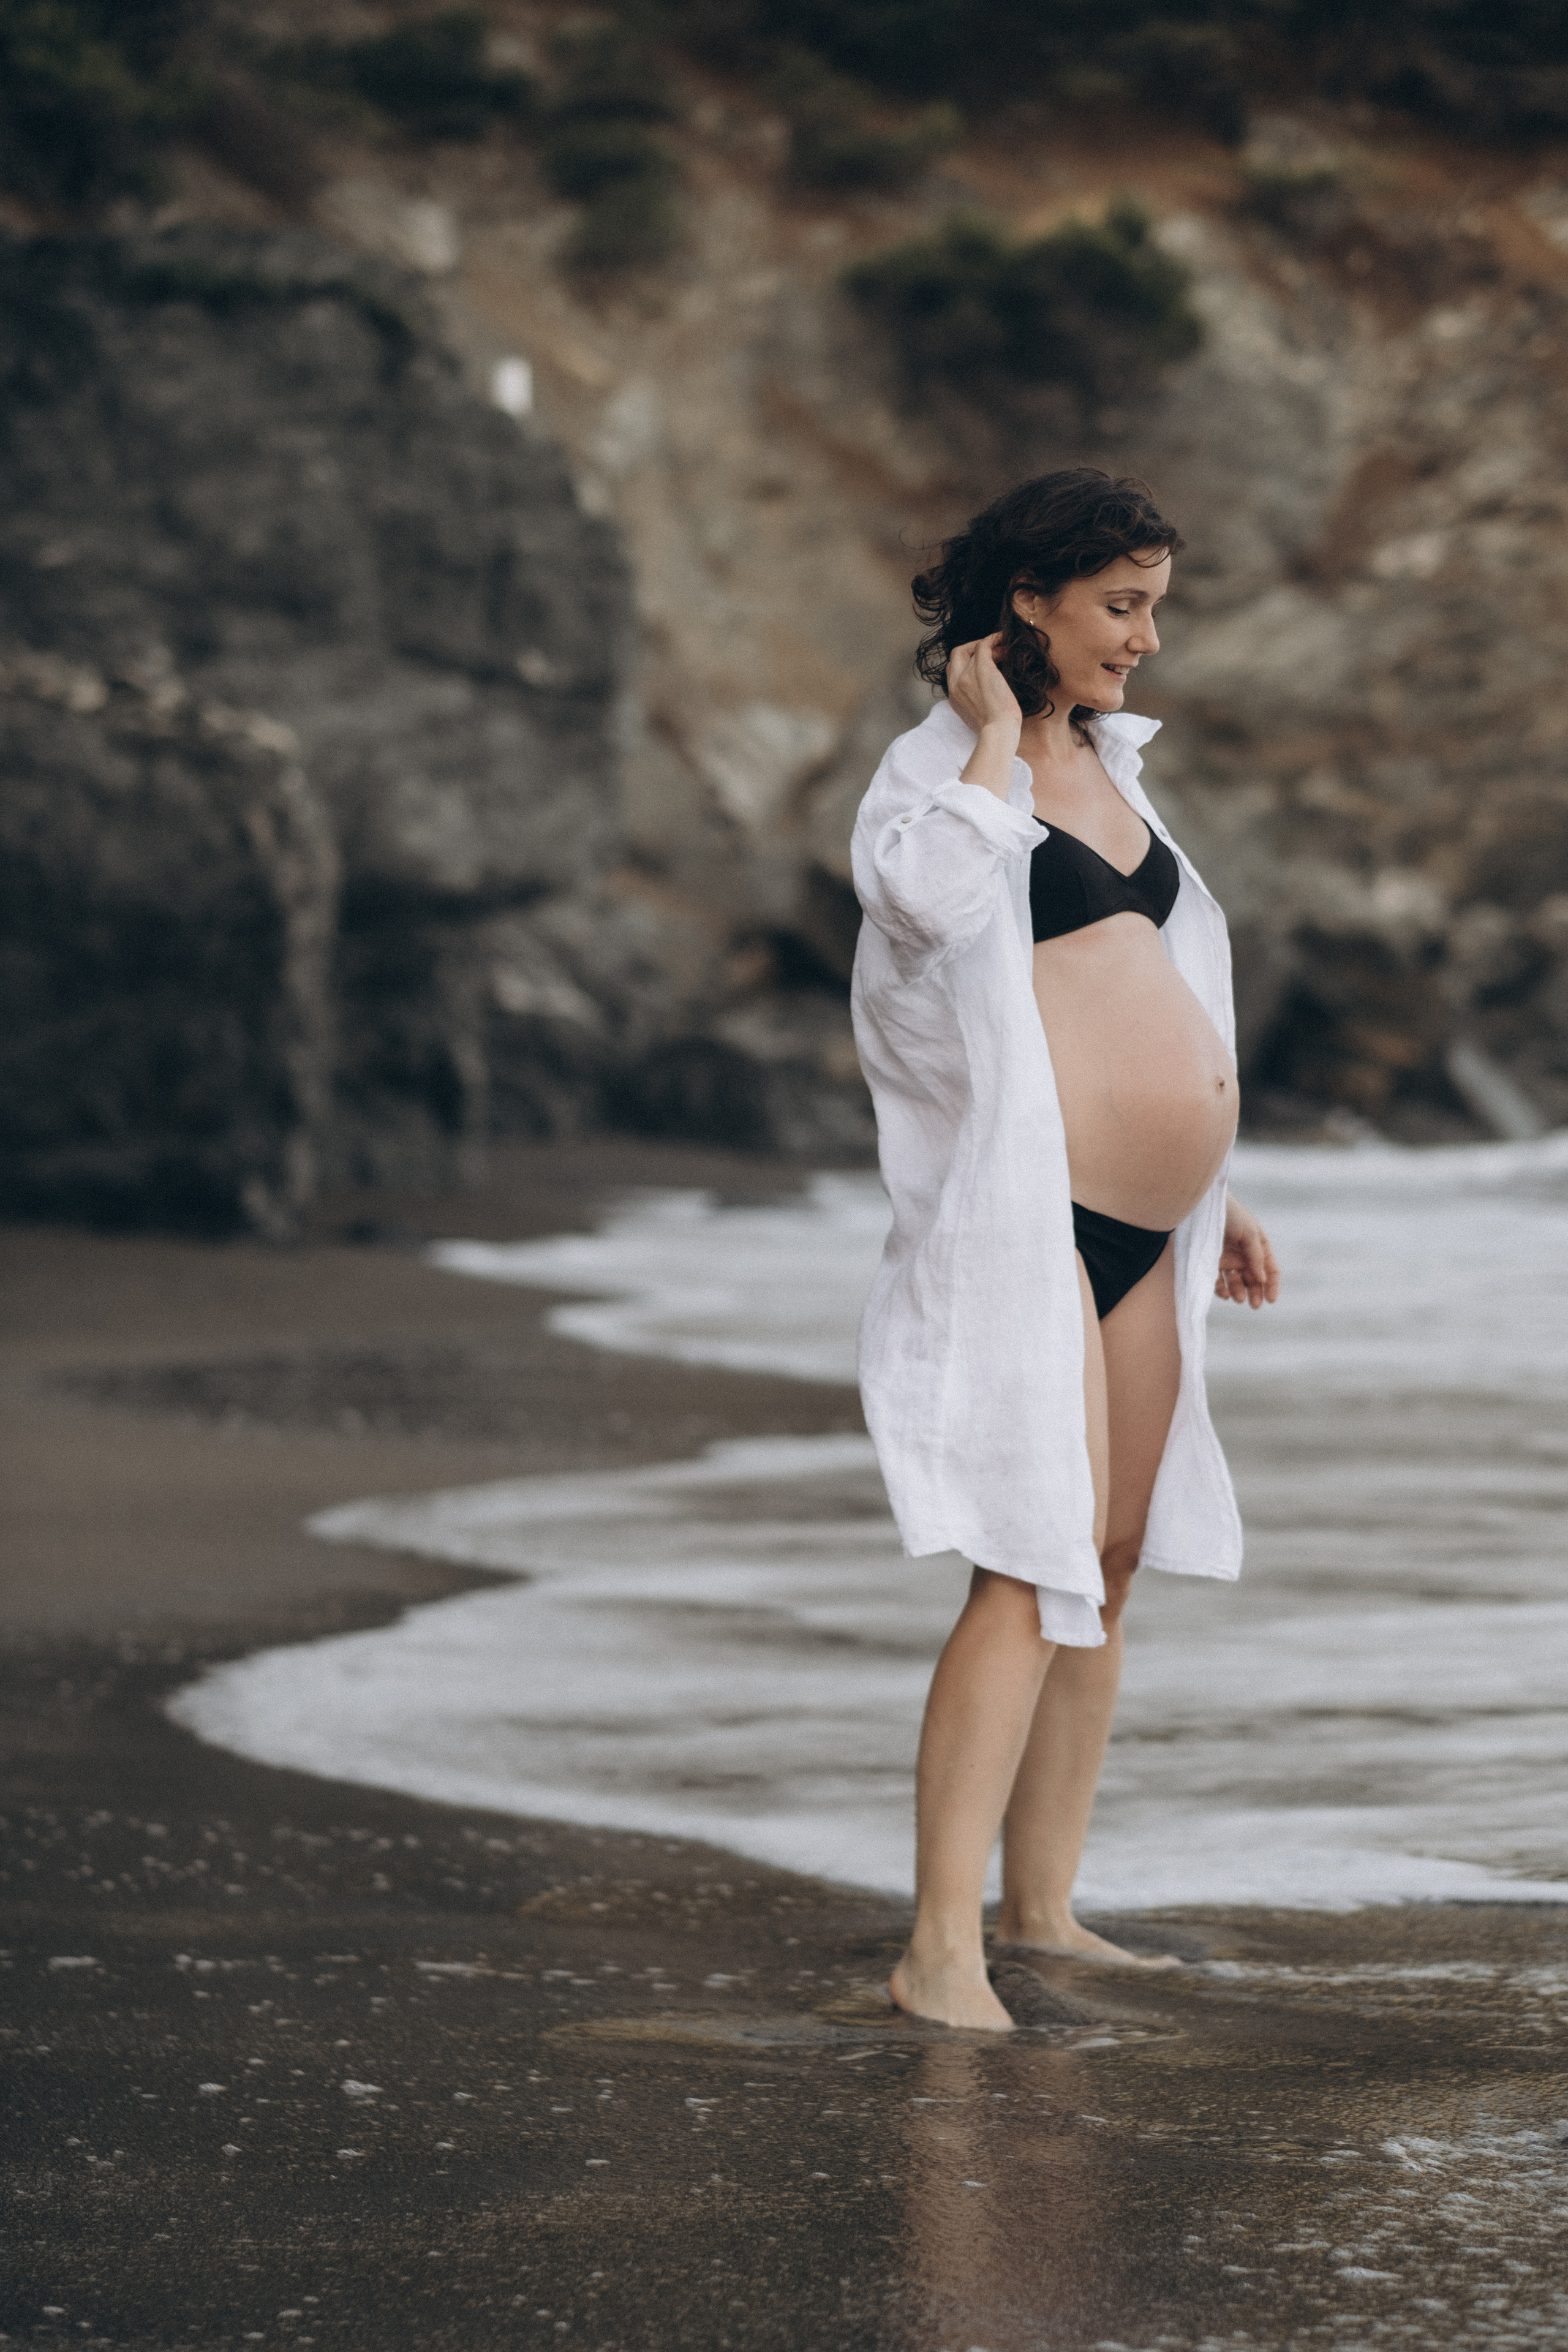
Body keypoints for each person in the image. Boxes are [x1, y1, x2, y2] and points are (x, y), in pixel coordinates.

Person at [849, 469, 1280, 2031]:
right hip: (1036, 1227)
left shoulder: (1115, 765)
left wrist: (1213, 1183)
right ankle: (935, 1952)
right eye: (1119, 604)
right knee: (1028, 1566)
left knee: (1104, 1561)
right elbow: (913, 912)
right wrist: (980, 752)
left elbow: (1148, 989)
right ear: (1024, 601)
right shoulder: (928, 781)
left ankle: (1038, 1911)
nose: (1145, 638)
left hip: (1149, 1230)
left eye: (1154, 604)